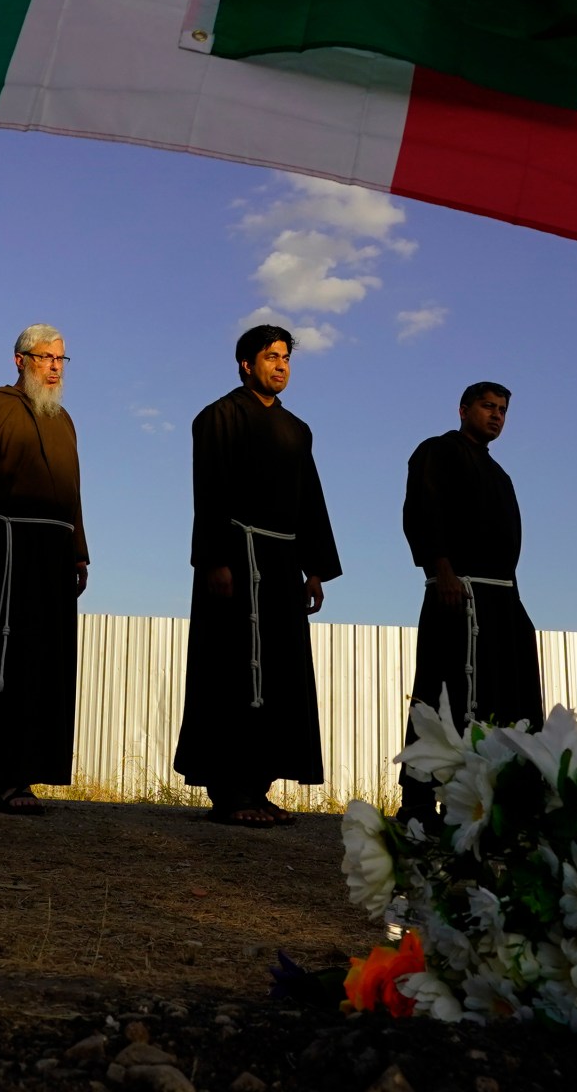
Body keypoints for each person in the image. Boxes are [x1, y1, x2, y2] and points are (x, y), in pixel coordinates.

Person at [174, 325, 341, 828]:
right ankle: (229, 790)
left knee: (280, 673)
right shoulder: (218, 418)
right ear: (246, 364)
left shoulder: (297, 430)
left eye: (286, 357)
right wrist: (216, 561)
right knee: (231, 669)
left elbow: (310, 499)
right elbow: (210, 493)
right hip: (235, 558)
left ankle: (260, 785)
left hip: (283, 564)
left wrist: (315, 570)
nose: (281, 365)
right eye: (271, 357)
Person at [0, 324, 90, 815]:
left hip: (52, 557)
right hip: (2, 551)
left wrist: (79, 551)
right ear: (20, 360)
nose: (54, 366)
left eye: (60, 359)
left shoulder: (65, 421)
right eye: (45, 357)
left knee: (43, 662)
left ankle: (21, 771)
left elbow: (72, 494)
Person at [399, 381, 543, 818]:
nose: (496, 415)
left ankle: (491, 803)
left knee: (507, 699)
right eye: (487, 406)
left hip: (501, 601)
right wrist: (441, 569)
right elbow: (423, 509)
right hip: (454, 591)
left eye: (502, 409)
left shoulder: (501, 475)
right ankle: (419, 800)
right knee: (441, 694)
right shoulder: (437, 451)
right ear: (463, 410)